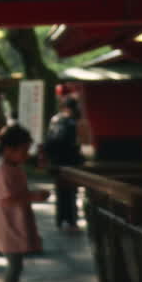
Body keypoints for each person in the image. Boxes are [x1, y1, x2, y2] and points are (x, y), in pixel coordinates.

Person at [0, 125, 50, 282]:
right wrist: (33, 196)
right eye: (23, 150)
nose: (25, 155)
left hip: (14, 221)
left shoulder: (13, 169)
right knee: (14, 268)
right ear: (9, 150)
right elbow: (6, 200)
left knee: (16, 266)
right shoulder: (4, 171)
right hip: (9, 224)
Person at [44, 98, 85, 233]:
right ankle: (72, 221)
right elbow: (72, 144)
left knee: (60, 192)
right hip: (69, 162)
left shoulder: (54, 119)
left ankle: (60, 219)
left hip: (56, 162)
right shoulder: (71, 122)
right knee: (71, 193)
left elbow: (50, 140)